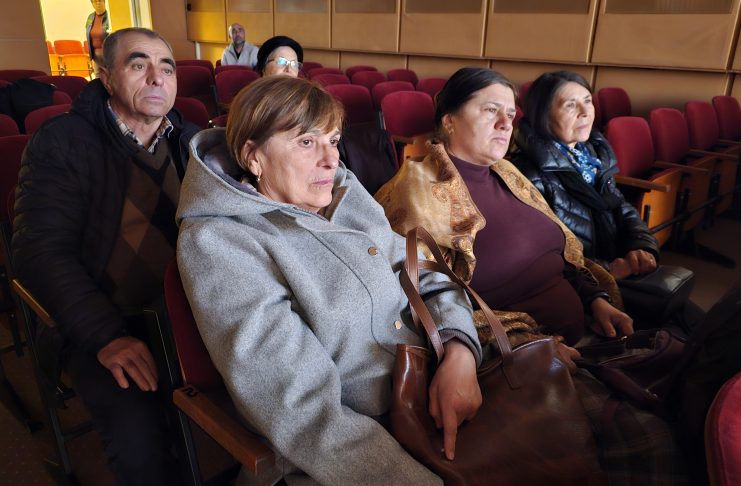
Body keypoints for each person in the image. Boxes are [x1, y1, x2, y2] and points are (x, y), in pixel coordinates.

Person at [375, 67, 688, 484]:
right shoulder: (416, 193)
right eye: (491, 111)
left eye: (510, 114)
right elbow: (429, 300)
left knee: (691, 371)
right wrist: (533, 344)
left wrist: (594, 299)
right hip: (514, 363)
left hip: (587, 334)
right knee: (659, 442)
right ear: (448, 120)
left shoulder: (508, 173)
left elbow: (560, 251)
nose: (506, 124)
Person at [176, 75, 483, 485]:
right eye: (306, 142)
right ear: (254, 157)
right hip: (351, 457)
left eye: (333, 140)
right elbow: (304, 413)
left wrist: (460, 352)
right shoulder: (220, 242)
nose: (331, 160)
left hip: (434, 395)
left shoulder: (343, 194)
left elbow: (429, 277)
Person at [13, 27, 199, 485]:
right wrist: (105, 335)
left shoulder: (191, 140)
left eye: (167, 68)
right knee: (140, 448)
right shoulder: (63, 142)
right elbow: (39, 251)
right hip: (107, 319)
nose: (157, 78)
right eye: (139, 65)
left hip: (189, 312)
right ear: (106, 77)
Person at [510, 71, 658, 281]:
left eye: (588, 101)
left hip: (612, 265)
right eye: (570, 105)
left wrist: (641, 246)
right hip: (577, 282)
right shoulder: (528, 173)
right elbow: (541, 252)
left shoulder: (591, 154)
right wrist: (605, 271)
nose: (585, 112)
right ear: (543, 114)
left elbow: (619, 206)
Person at [86, 0, 110, 65]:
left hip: (108, 56)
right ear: (92, 3)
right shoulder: (90, 17)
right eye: (95, 1)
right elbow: (88, 33)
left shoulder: (109, 16)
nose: (98, 3)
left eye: (100, 0)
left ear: (104, 2)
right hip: (95, 57)